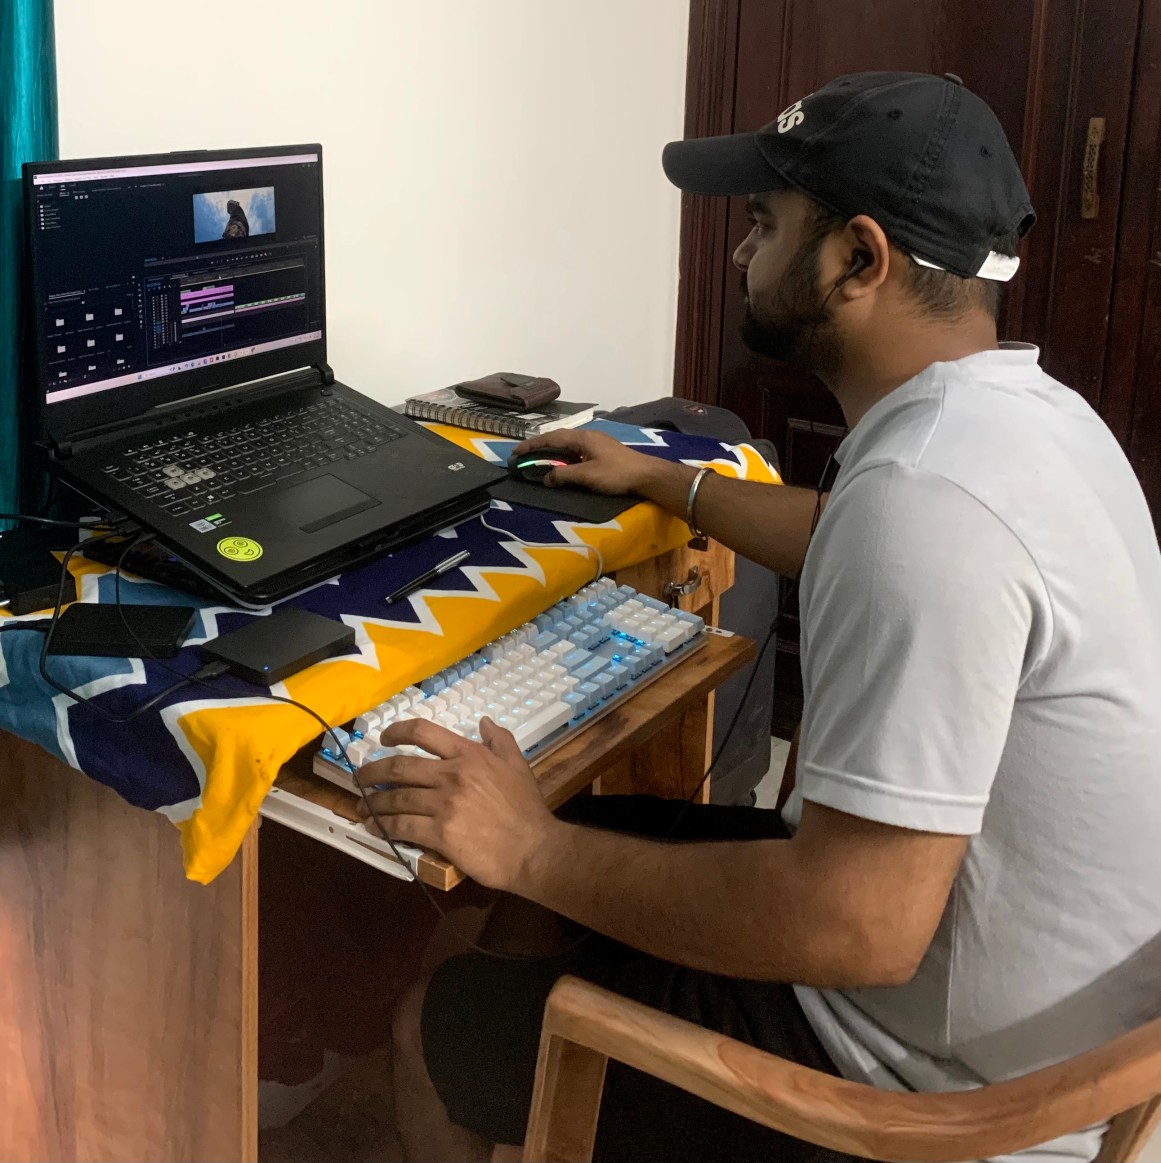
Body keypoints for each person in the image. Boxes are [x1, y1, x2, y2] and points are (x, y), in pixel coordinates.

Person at [361, 72, 1161, 1163]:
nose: (741, 250)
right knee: (536, 887)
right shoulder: (1025, 422)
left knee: (435, 1018)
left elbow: (856, 925)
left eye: (765, 223)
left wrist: (530, 844)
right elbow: (845, 534)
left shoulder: (925, 508)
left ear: (858, 260)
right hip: (1013, 1007)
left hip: (920, 1093)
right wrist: (665, 481)